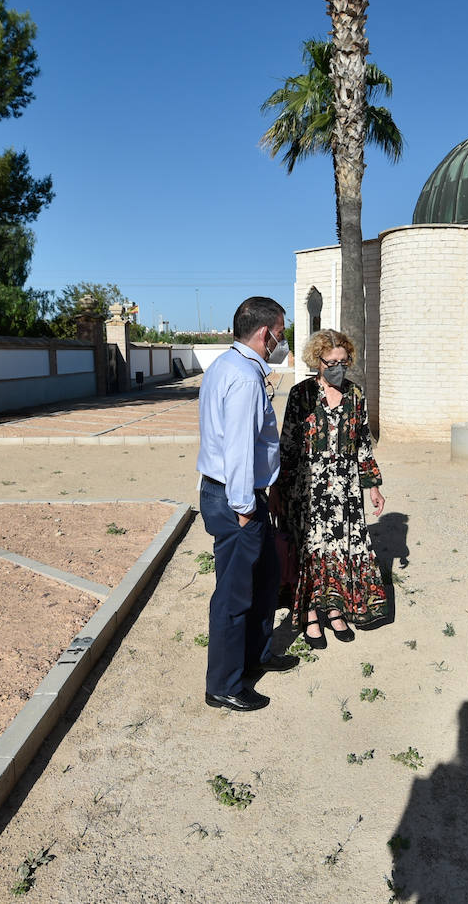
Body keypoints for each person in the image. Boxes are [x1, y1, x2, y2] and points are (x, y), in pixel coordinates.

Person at [196, 296, 300, 712]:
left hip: (245, 493)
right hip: (236, 498)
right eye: (280, 330)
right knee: (235, 594)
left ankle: (255, 655)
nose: (282, 338)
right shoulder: (241, 377)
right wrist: (244, 507)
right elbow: (238, 448)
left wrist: (264, 489)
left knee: (264, 579)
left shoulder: (231, 366)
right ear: (265, 333)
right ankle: (223, 683)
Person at [274, 329, 388, 649]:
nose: (338, 367)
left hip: (345, 488)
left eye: (344, 361)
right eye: (331, 362)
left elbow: (363, 443)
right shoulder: (300, 394)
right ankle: (311, 612)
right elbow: (288, 444)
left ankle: (335, 608)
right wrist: (279, 490)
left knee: (340, 548)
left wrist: (373, 486)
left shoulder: (356, 395)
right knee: (311, 550)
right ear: (317, 361)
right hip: (307, 487)